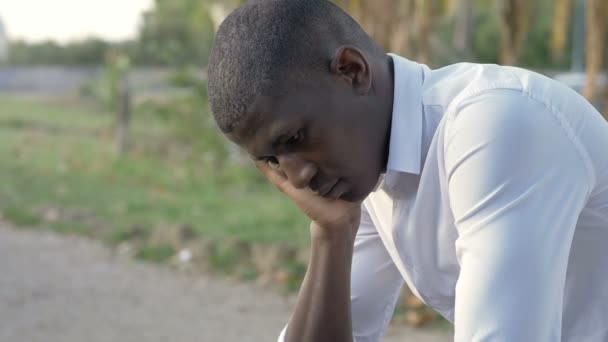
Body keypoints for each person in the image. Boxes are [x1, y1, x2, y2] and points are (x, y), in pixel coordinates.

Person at [206, 1, 608, 341]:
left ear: (352, 71)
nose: (297, 178)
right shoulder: (371, 170)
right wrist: (331, 234)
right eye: (273, 160)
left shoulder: (497, 125)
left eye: (294, 138)